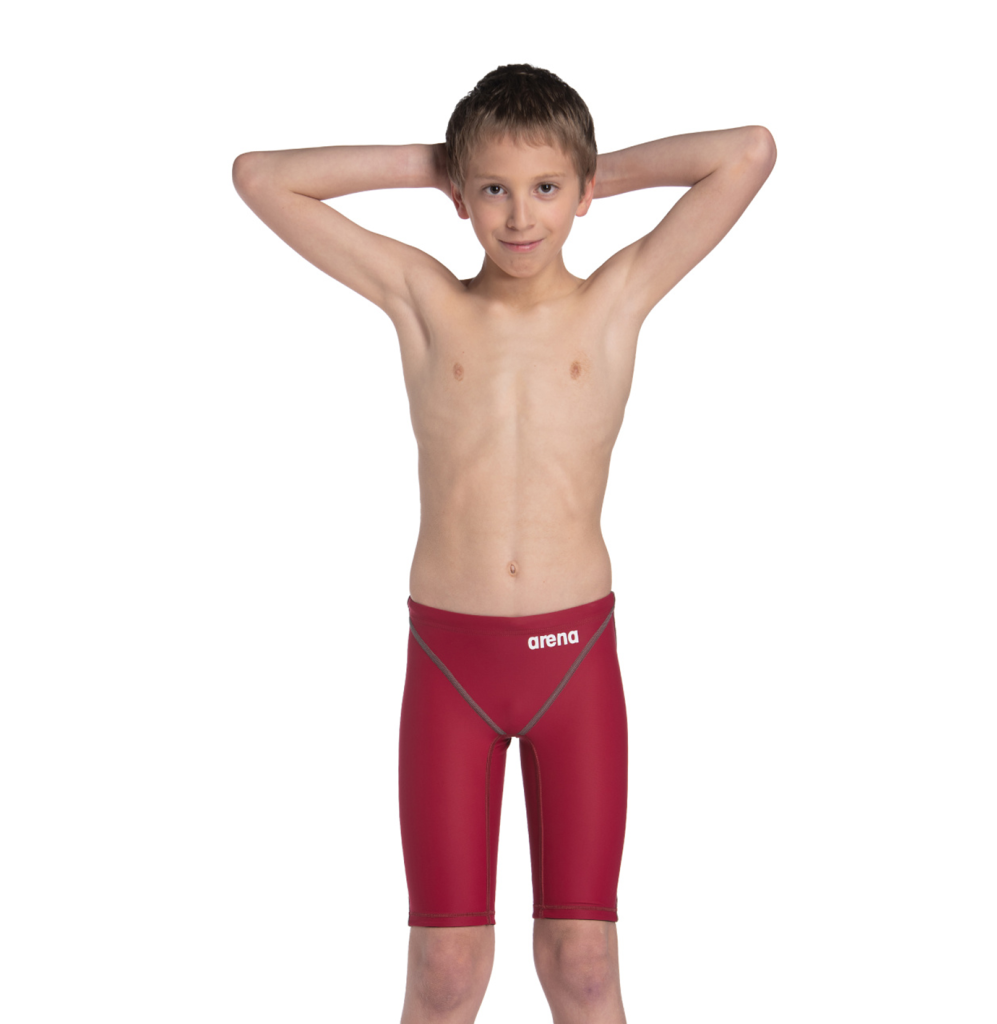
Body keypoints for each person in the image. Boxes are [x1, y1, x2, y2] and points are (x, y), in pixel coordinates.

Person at [232, 63, 775, 1024]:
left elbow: (748, 153)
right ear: (461, 196)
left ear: (582, 192)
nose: (521, 216)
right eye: (493, 189)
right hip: (453, 662)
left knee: (584, 968)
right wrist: (444, 162)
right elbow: (261, 177)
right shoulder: (425, 300)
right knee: (445, 972)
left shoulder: (615, 299)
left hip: (574, 661)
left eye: (546, 188)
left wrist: (587, 167)